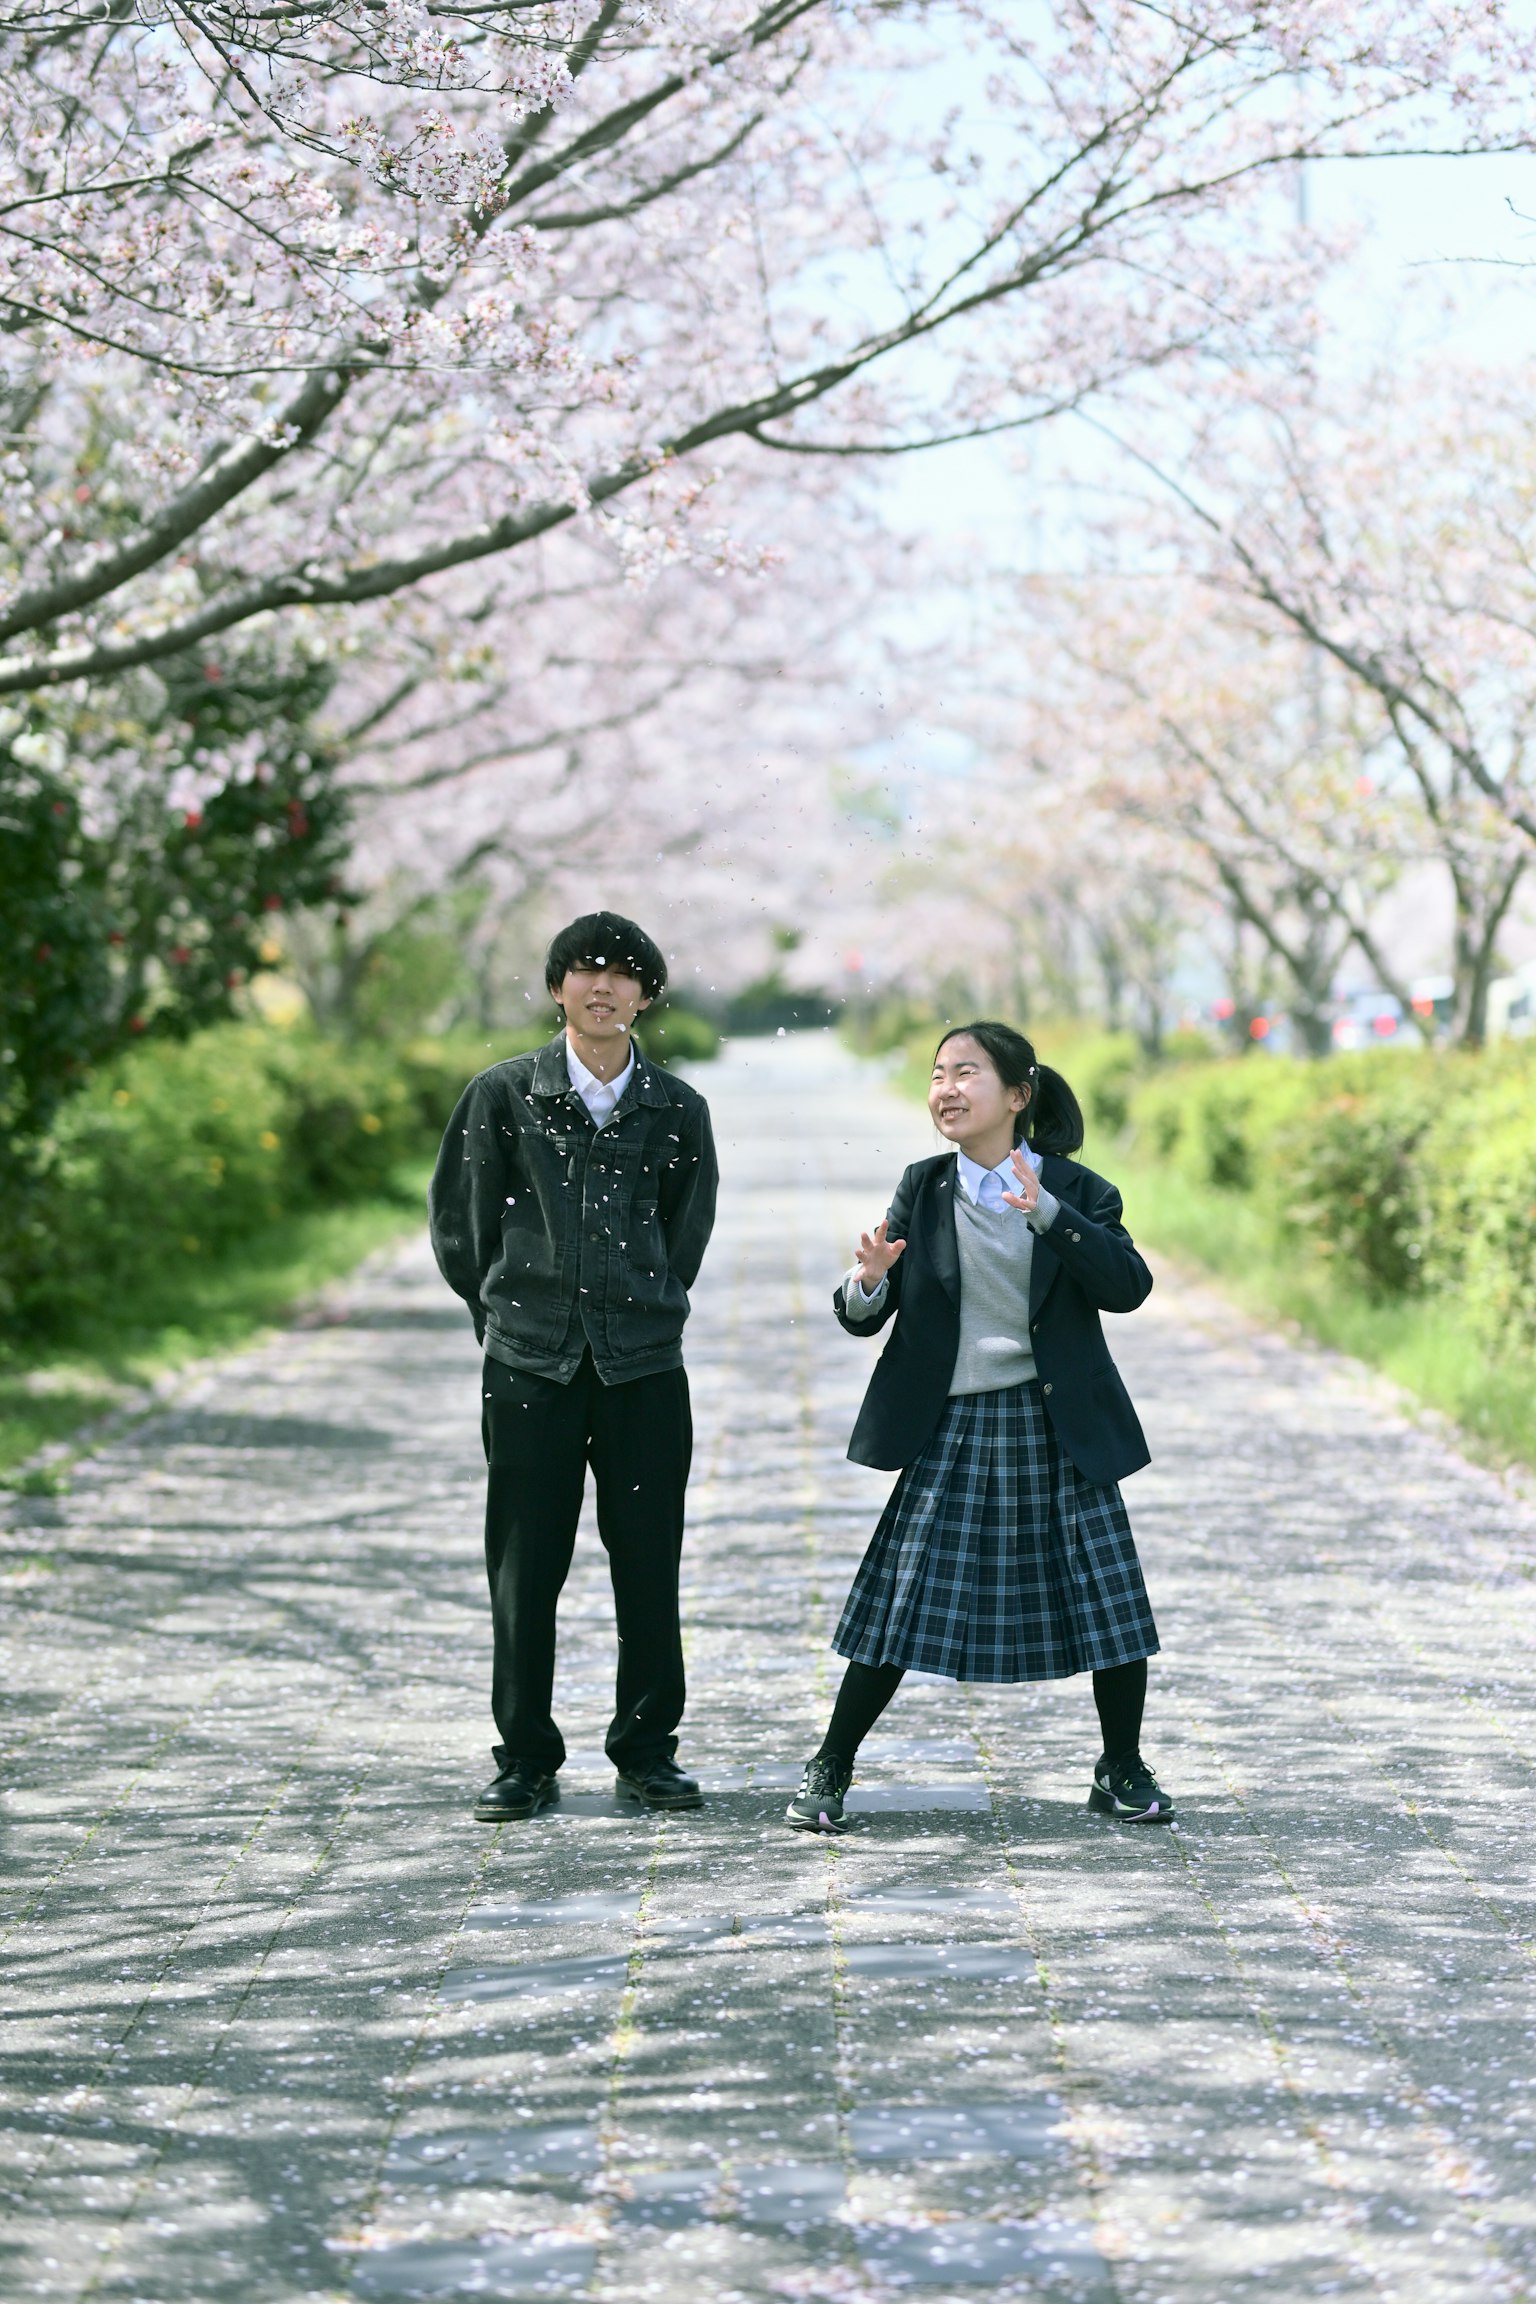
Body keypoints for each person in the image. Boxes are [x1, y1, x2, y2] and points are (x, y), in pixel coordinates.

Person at [787, 1020, 1170, 1834]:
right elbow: (864, 1316)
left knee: (1108, 1604)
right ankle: (830, 1767)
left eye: (967, 1073)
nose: (947, 1090)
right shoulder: (923, 1188)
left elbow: (1128, 1286)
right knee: (899, 1601)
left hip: (1056, 1419)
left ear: (1018, 1096)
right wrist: (867, 1284)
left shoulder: (1080, 1190)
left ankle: (1121, 1768)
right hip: (954, 1423)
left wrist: (1052, 1215)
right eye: (937, 1075)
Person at [429, 911, 718, 1822]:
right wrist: (509, 1312)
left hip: (643, 1372)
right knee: (524, 1567)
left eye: (624, 973)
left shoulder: (677, 1109)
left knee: (648, 1563)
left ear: (646, 995)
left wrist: (640, 1305)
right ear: (558, 988)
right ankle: (523, 1757)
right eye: (586, 970)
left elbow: (685, 1234)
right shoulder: (502, 1096)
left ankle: (646, 1751)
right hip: (529, 1371)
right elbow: (460, 1227)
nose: (604, 986)